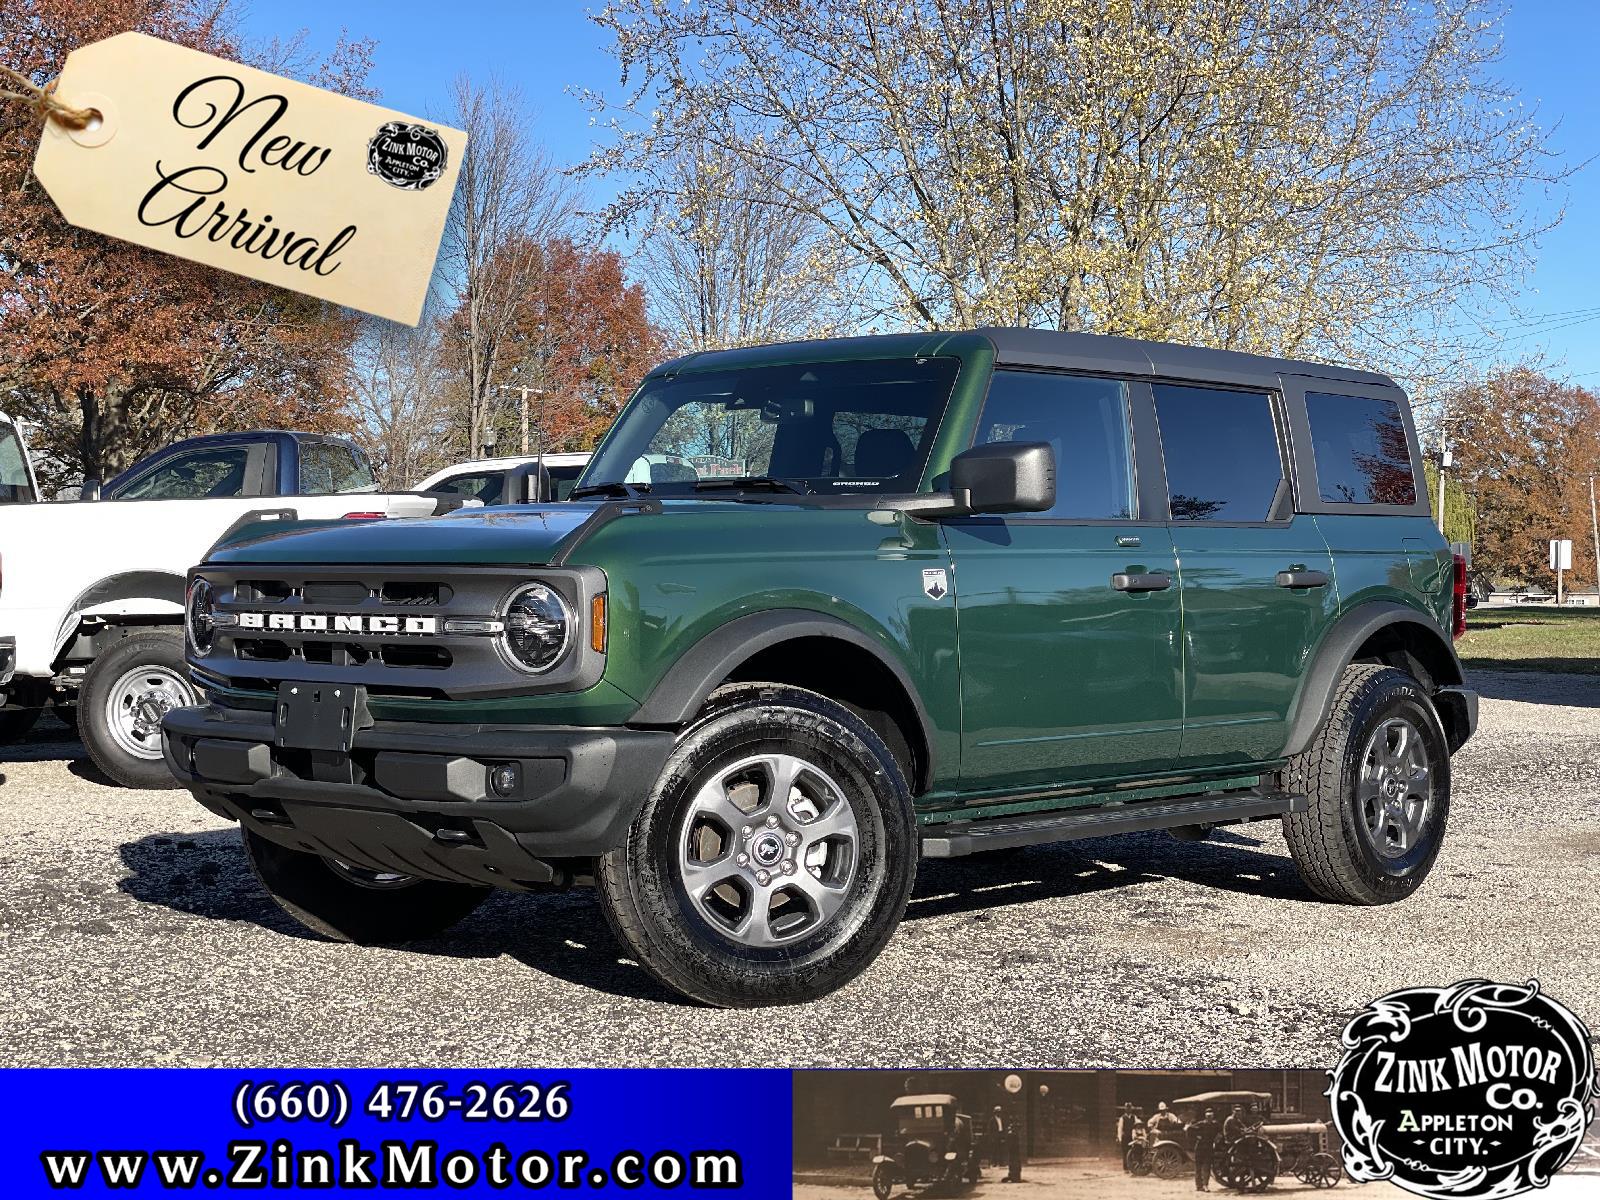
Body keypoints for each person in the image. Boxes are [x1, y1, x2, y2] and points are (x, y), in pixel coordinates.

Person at [1188, 1107, 1220, 1192]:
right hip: (1200, 1147)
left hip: (1209, 1148)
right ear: (1205, 1116)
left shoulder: (1215, 1124)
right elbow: (1189, 1129)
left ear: (1213, 1116)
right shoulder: (1201, 1124)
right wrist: (1196, 1137)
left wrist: (1217, 1139)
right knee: (1198, 1167)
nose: (1209, 1117)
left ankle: (1205, 1185)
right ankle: (1198, 1186)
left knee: (1207, 1167)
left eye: (1211, 1116)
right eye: (1208, 1116)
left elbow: (1220, 1133)